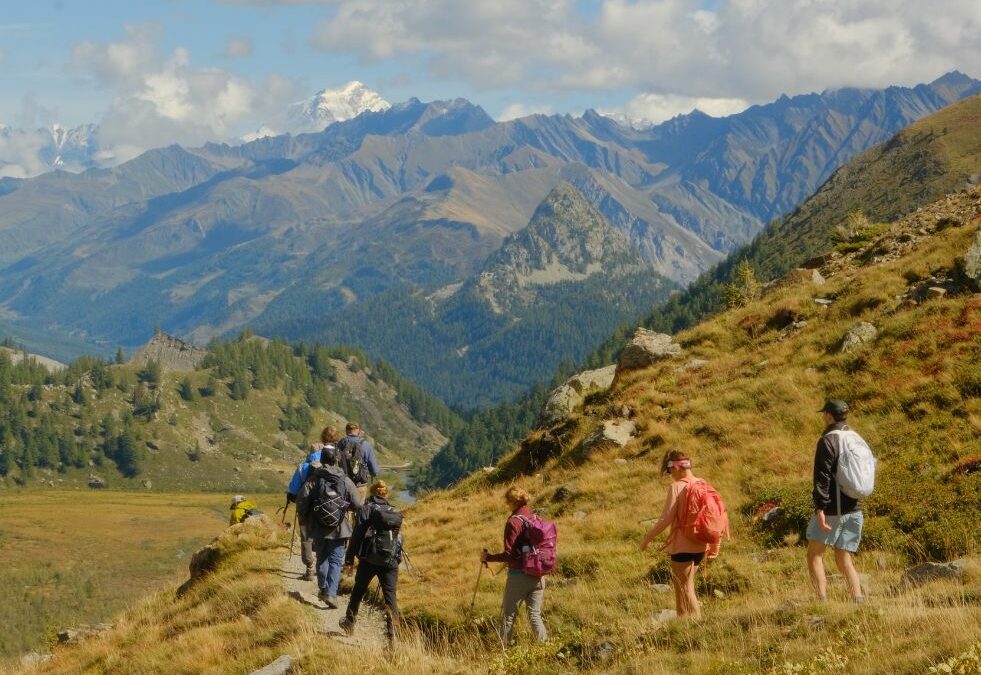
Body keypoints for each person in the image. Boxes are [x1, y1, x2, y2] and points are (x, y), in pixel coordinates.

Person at [639, 450, 717, 619]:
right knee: (680, 585)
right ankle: (682, 622)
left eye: (669, 471)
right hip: (700, 544)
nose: (670, 475)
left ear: (674, 467)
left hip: (682, 545)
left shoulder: (676, 487)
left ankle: (697, 624)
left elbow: (666, 519)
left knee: (686, 587)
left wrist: (647, 539)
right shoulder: (703, 484)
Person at [807, 399, 865, 603]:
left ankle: (821, 600)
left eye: (825, 414)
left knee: (815, 554)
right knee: (844, 557)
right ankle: (857, 598)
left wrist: (820, 508)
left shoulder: (828, 440)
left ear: (829, 416)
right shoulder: (855, 437)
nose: (823, 417)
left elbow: (821, 478)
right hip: (855, 508)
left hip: (833, 509)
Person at [480, 486, 548, 645]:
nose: (506, 503)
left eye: (507, 501)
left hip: (518, 576)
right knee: (535, 615)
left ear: (512, 502)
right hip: (538, 574)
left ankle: (503, 651)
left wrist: (488, 557)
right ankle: (545, 647)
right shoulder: (533, 518)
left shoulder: (513, 522)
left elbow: (509, 554)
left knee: (509, 615)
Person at [297, 445, 362, 608]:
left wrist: (304, 519)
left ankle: (323, 588)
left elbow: (302, 501)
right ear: (337, 459)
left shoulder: (314, 479)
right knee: (335, 560)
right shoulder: (345, 479)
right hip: (339, 527)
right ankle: (331, 594)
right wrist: (346, 508)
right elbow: (357, 503)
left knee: (322, 557)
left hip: (318, 526)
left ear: (322, 460)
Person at [339, 480, 402, 642]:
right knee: (390, 599)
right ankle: (393, 635)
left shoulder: (366, 509)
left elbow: (357, 536)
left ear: (372, 493)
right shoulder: (394, 511)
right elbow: (399, 540)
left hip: (369, 560)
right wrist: (396, 560)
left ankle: (349, 622)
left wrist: (349, 559)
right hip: (390, 562)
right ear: (386, 494)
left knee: (358, 591)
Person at [287, 427, 340, 581]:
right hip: (331, 506)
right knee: (329, 535)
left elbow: (294, 488)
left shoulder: (305, 465)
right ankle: (329, 567)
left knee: (306, 537)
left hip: (309, 506)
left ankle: (309, 568)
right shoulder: (337, 462)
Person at [336, 422, 380, 499]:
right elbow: (374, 470)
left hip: (343, 484)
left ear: (346, 430)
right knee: (358, 508)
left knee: (343, 507)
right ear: (358, 430)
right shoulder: (366, 445)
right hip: (360, 485)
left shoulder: (340, 444)